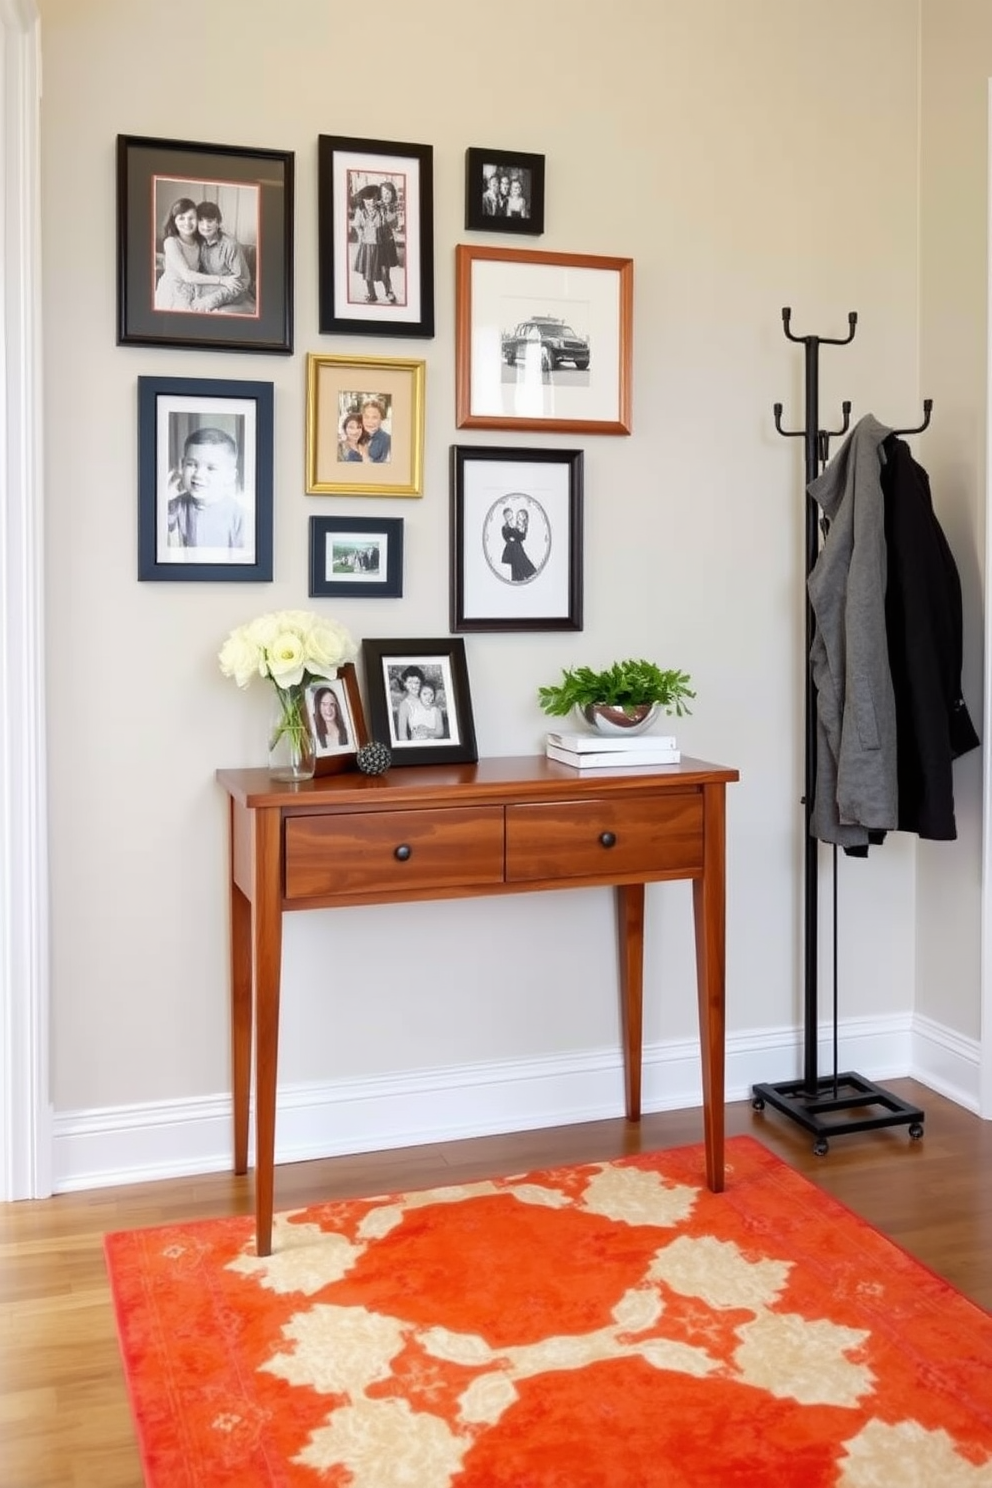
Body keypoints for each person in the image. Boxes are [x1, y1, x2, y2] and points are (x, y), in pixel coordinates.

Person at [166, 425, 246, 549]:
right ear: (182, 465)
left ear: (230, 476)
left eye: (211, 468)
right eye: (191, 464)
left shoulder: (239, 516)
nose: (198, 474)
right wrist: (165, 501)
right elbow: (161, 530)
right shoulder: (176, 505)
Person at [154, 197, 238, 311]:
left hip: (193, 288)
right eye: (181, 218)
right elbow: (187, 275)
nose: (187, 223)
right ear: (174, 221)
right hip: (173, 291)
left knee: (230, 295)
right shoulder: (171, 242)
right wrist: (221, 280)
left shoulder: (199, 241)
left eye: (191, 218)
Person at [191, 202, 252, 314]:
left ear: (218, 223)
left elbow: (241, 283)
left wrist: (211, 300)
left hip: (233, 293)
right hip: (211, 288)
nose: (205, 226)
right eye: (201, 221)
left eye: (210, 221)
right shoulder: (198, 242)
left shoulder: (230, 245)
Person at [351, 183, 386, 303]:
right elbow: (357, 225)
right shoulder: (360, 211)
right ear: (363, 200)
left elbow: (383, 225)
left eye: (373, 200)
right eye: (367, 201)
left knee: (382, 271)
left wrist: (381, 212)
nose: (370, 203)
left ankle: (388, 290)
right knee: (367, 271)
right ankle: (372, 293)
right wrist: (361, 234)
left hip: (379, 245)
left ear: (377, 199)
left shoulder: (380, 211)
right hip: (366, 245)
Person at [376, 180, 401, 304]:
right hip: (375, 242)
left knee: (385, 270)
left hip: (387, 243)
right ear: (380, 194)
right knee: (375, 268)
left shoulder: (393, 208)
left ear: (392, 195)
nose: (386, 195)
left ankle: (389, 291)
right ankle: (372, 292)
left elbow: (394, 224)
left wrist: (388, 211)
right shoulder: (375, 205)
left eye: (389, 193)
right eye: (384, 192)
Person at [501, 506, 536, 581]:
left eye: (522, 516)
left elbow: (520, 537)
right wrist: (512, 531)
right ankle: (521, 576)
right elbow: (507, 536)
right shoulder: (509, 526)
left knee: (519, 561)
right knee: (518, 561)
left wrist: (516, 533)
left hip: (516, 549)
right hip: (512, 549)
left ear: (525, 518)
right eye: (518, 516)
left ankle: (523, 575)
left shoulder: (522, 527)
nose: (519, 518)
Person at [394, 665, 425, 740]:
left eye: (417, 683)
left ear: (421, 683)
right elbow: (402, 736)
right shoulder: (404, 705)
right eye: (410, 682)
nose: (414, 686)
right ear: (405, 684)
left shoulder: (427, 699)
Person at [360, 398, 391, 462]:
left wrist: (365, 455)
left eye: (374, 417)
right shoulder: (357, 435)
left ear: (381, 419)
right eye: (366, 417)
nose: (370, 421)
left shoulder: (387, 440)